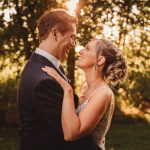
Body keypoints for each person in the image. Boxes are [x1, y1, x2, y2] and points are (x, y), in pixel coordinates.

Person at [17, 9, 100, 150]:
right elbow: (70, 134)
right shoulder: (43, 81)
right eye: (72, 37)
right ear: (55, 34)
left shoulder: (41, 66)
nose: (74, 43)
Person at [42, 38, 127, 150]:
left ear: (100, 60)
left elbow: (71, 134)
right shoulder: (85, 87)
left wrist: (67, 90)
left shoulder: (103, 94)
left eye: (87, 49)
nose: (80, 51)